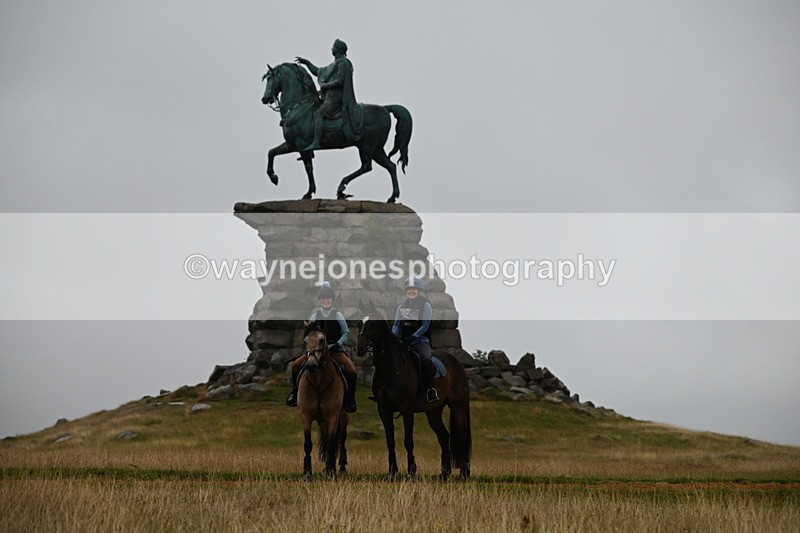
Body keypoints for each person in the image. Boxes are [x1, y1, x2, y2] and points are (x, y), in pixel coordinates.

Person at [286, 281, 358, 413]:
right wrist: (311, 348)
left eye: (328, 298)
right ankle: (294, 394)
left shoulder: (338, 315)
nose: (326, 300)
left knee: (351, 370)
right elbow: (309, 334)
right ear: (320, 301)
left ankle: (350, 400)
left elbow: (346, 333)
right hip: (316, 351)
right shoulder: (315, 316)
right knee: (295, 365)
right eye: (323, 298)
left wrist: (337, 344)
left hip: (335, 351)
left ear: (332, 300)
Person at [295, 38, 363, 151]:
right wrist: (307, 63)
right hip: (328, 98)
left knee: (319, 113)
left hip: (336, 99)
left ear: (338, 49)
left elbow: (340, 81)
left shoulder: (343, 63)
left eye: (333, 47)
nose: (331, 49)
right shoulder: (332, 65)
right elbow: (318, 71)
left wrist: (325, 86)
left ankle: (316, 142)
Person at [392, 276, 438, 402]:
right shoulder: (401, 307)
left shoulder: (426, 305)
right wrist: (393, 336)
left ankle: (430, 389)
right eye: (409, 289)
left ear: (419, 290)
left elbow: (425, 326)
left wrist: (413, 336)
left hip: (420, 341)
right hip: (404, 342)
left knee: (425, 359)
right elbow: (396, 325)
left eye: (414, 289)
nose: (411, 291)